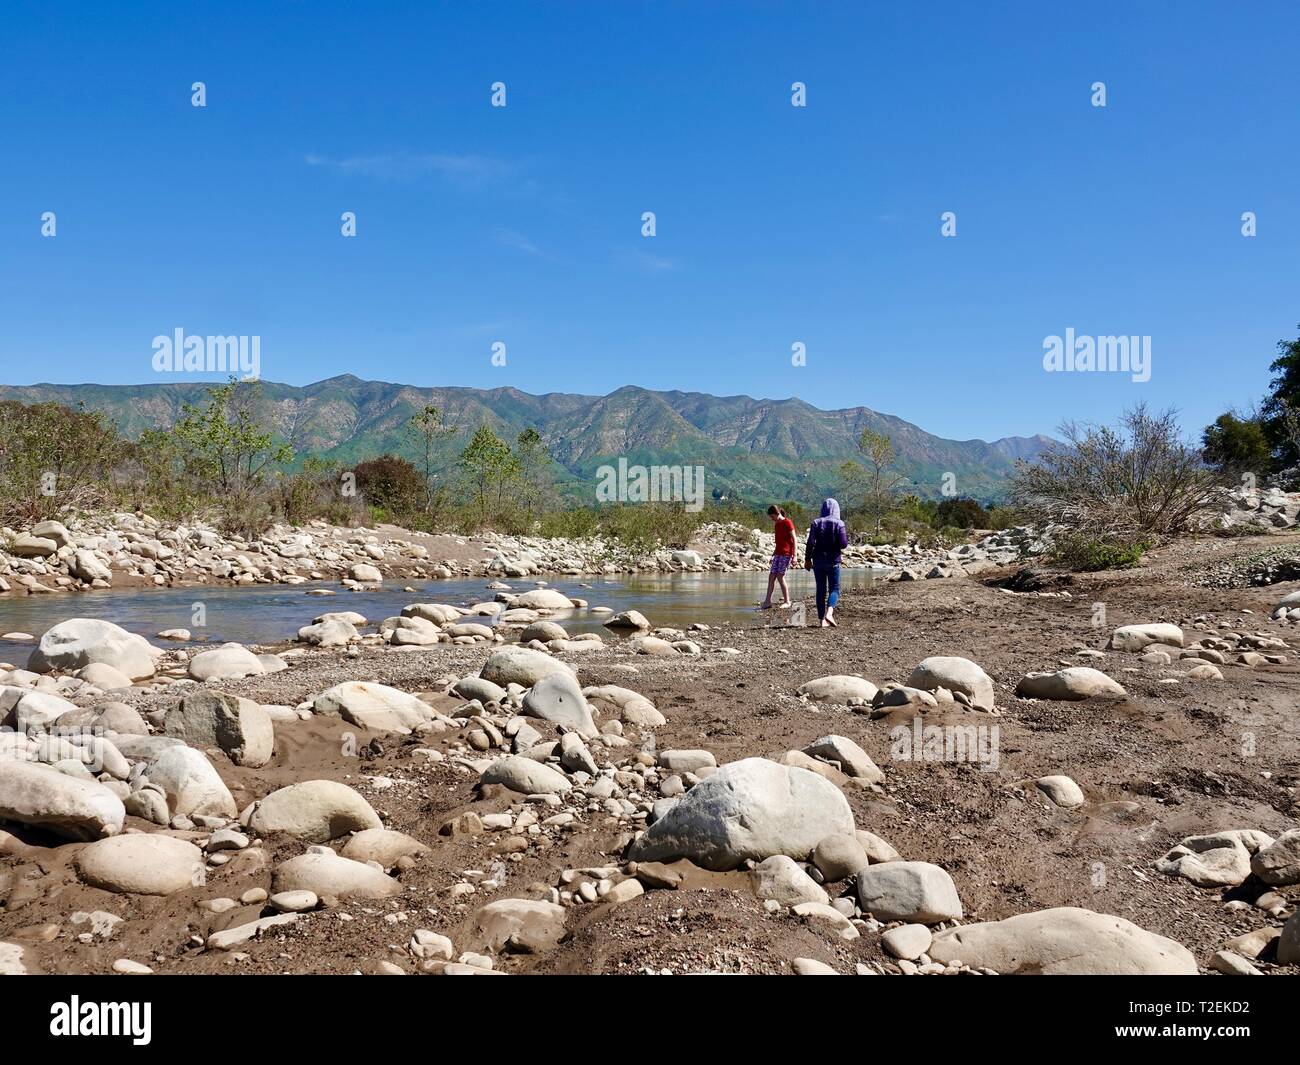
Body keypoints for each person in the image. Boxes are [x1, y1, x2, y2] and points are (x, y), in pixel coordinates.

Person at [804, 497, 848, 627]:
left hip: (817, 560)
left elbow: (810, 543)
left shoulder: (816, 523)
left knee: (820, 590)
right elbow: (843, 544)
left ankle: (822, 620)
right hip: (833, 560)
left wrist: (807, 559)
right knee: (834, 588)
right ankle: (829, 613)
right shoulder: (839, 523)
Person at [761, 504, 796, 609]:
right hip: (778, 553)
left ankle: (787, 601)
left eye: (772, 517)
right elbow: (778, 543)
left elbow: (795, 539)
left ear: (778, 514)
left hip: (786, 554)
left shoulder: (788, 522)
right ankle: (767, 601)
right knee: (771, 576)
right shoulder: (777, 525)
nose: (772, 519)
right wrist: (773, 555)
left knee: (780, 576)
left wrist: (795, 556)